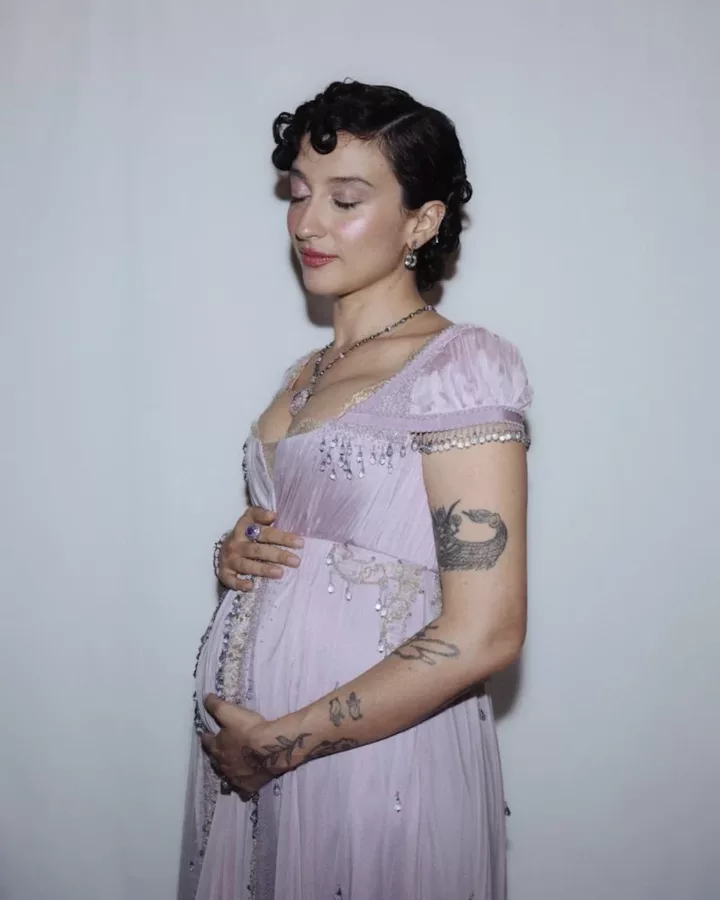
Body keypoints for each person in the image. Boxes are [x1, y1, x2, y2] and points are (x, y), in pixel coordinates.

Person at [179, 79, 532, 900]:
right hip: (251, 765)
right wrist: (240, 553)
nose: (307, 223)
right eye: (299, 194)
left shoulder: (460, 367)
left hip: (375, 768)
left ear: (422, 221)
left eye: (344, 200)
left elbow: (487, 630)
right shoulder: (302, 374)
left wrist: (280, 743)